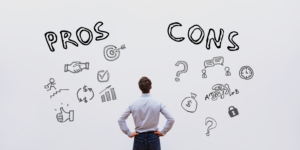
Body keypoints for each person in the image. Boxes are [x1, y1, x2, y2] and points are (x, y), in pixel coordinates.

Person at [118, 77, 175, 150]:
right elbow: (171, 119)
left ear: (139, 88)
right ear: (151, 87)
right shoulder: (158, 103)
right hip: (153, 137)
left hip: (139, 137)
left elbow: (120, 120)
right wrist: (163, 132)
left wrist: (128, 133)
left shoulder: (133, 104)